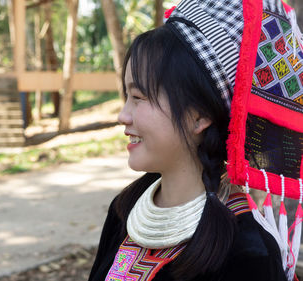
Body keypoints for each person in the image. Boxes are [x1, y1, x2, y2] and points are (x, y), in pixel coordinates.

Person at [89, 0, 302, 280]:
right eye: (126, 97)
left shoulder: (246, 251)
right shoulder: (124, 210)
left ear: (199, 116)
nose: (122, 116)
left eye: (139, 98)